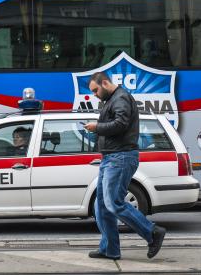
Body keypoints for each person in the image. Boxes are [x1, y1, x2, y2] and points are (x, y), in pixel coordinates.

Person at [83, 72, 166, 260]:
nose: (94, 94)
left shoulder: (121, 98)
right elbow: (113, 126)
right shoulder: (110, 100)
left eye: (96, 90)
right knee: (101, 206)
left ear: (105, 83)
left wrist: (97, 127)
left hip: (120, 157)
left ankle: (152, 232)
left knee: (114, 202)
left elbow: (120, 124)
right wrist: (95, 132)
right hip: (110, 157)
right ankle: (110, 249)